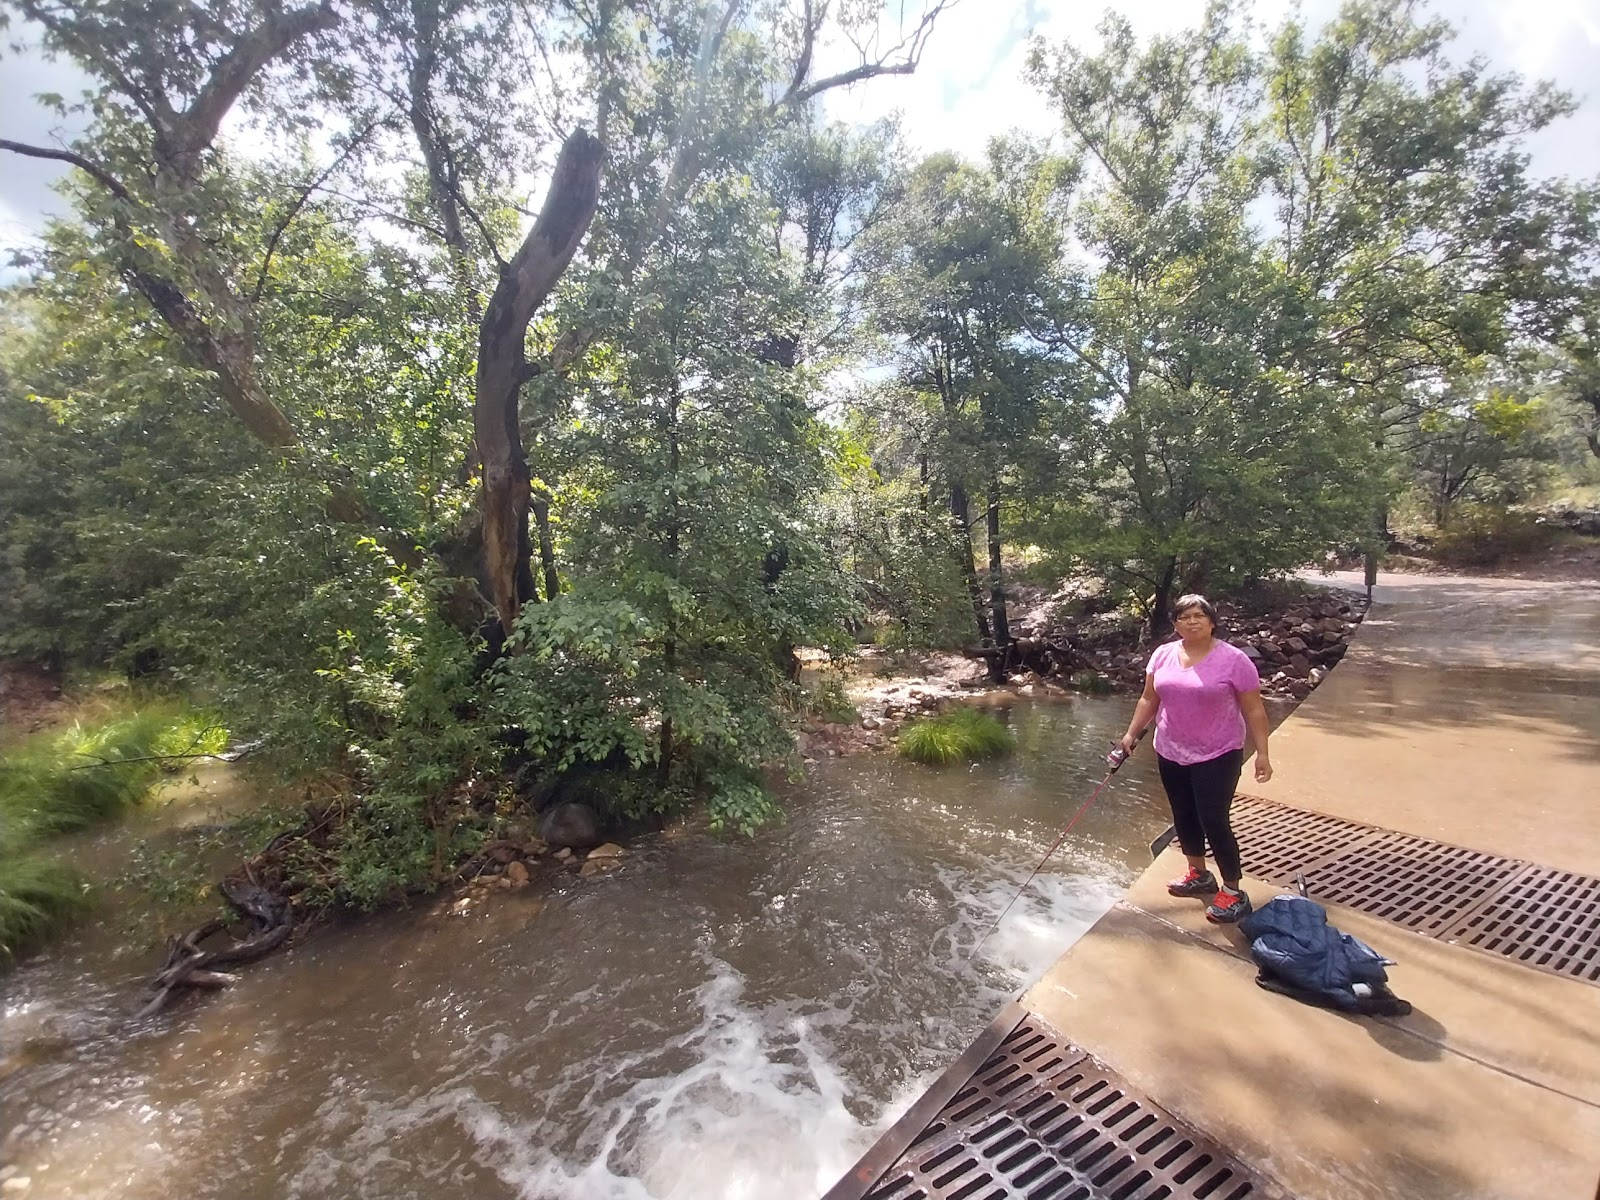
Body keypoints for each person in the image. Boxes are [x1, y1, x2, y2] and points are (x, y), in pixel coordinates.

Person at [1117, 594, 1273, 924]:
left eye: (1199, 615)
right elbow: (1149, 699)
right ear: (1175, 624)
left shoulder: (1234, 660)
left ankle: (1233, 891)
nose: (1192, 621)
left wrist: (1262, 752)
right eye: (1184, 617)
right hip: (1171, 749)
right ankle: (1198, 874)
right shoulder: (1162, 655)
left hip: (1219, 751)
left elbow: (1254, 709)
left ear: (1212, 621)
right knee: (1183, 814)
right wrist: (1131, 735)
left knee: (1213, 819)